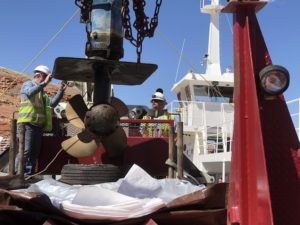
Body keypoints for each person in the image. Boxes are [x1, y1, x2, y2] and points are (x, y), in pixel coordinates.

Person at [16, 65, 67, 175]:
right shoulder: (28, 84)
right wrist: (43, 84)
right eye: (47, 77)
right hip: (27, 123)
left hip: (38, 125)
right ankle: (17, 174)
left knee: (34, 153)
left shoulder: (42, 92)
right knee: (25, 151)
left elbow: (52, 104)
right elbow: (29, 93)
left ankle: (28, 175)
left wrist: (60, 91)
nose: (48, 80)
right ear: (39, 75)